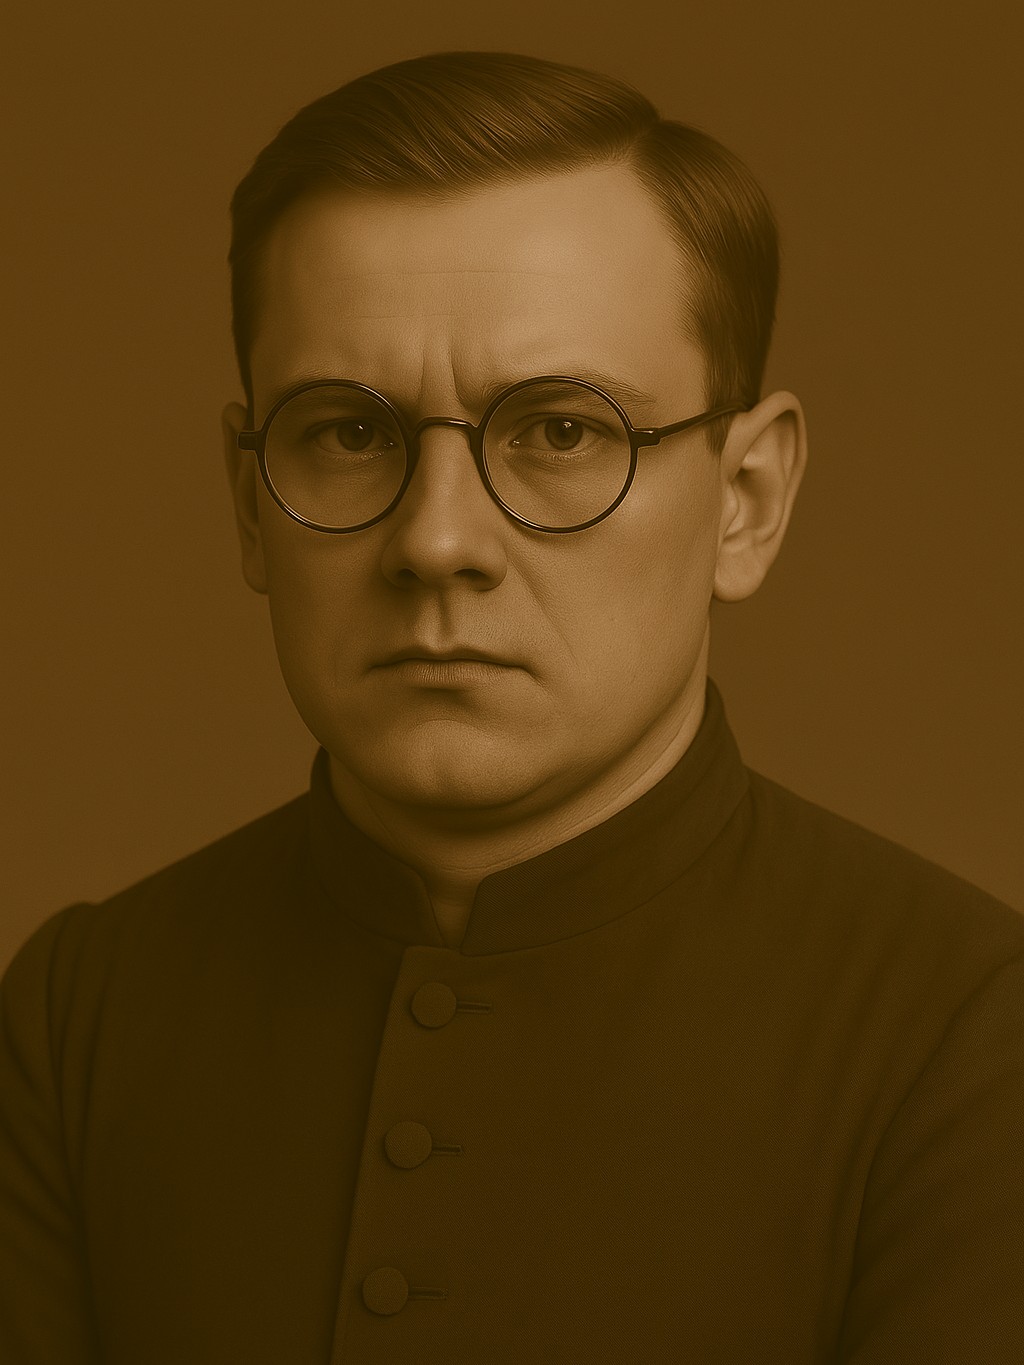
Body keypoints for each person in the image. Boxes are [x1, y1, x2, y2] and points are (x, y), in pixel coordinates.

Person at [1, 50, 1021, 1365]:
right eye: (348, 433)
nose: (436, 543)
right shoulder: (75, 1018)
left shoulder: (971, 1039)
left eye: (560, 431)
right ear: (250, 504)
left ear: (747, 499)